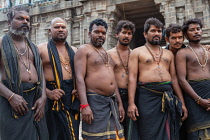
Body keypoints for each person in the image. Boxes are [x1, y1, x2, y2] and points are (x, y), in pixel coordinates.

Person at [127, 17, 183, 140]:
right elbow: (132, 78)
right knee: (148, 132)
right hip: (147, 98)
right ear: (145, 34)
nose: (157, 33)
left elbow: (174, 79)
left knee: (169, 133)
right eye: (153, 31)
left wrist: (182, 102)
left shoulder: (168, 54)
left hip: (167, 96)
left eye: (159, 31)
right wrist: (131, 103)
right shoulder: (137, 52)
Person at [0, 6, 49, 140]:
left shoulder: (33, 46)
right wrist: (11, 97)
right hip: (11, 102)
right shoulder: (1, 43)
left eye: (28, 19)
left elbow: (41, 74)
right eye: (20, 18)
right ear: (9, 22)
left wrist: (43, 97)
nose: (25, 22)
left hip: (34, 101)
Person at [74, 18, 125, 140]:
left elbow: (114, 82)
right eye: (97, 32)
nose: (100, 35)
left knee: (115, 136)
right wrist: (84, 105)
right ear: (89, 33)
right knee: (95, 136)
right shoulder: (84, 50)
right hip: (94, 102)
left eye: (103, 33)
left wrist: (120, 104)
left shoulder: (107, 54)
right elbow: (79, 77)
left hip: (111, 102)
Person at [38, 17, 80, 140]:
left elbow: (81, 74)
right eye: (56, 27)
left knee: (72, 134)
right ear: (49, 31)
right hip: (52, 97)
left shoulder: (74, 50)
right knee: (53, 134)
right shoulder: (41, 49)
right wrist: (48, 92)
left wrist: (79, 90)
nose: (60, 29)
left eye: (63, 27)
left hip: (71, 98)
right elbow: (34, 76)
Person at [176, 18, 210, 140]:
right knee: (197, 134)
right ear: (185, 34)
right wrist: (199, 100)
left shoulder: (208, 51)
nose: (196, 32)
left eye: (198, 29)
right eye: (192, 30)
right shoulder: (183, 53)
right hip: (193, 97)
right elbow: (181, 80)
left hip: (209, 93)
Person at [107, 20, 139, 140]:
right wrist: (119, 104)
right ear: (117, 34)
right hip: (116, 96)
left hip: (133, 96)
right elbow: (111, 79)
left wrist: (132, 102)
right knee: (116, 130)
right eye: (124, 32)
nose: (126, 36)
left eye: (129, 33)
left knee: (133, 130)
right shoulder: (109, 54)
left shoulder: (136, 54)